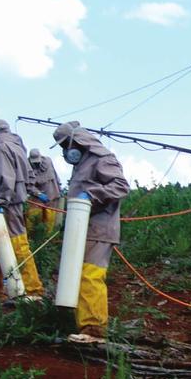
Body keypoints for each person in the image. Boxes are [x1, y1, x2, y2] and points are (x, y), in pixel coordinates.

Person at [52, 121, 129, 343]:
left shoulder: (102, 158)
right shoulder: (83, 163)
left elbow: (121, 186)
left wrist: (91, 195)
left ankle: (94, 331)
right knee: (79, 275)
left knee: (90, 275)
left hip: (99, 229)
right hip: (83, 229)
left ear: (77, 141)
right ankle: (82, 325)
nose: (65, 151)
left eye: (66, 145)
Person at [0, 119, 44, 303]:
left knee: (17, 245)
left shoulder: (1, 147)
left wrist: (0, 202)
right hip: (14, 201)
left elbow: (6, 179)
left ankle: (32, 290)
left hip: (7, 203)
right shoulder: (18, 145)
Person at [25, 148, 62, 234]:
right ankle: (32, 238)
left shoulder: (48, 161)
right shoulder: (26, 167)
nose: (36, 163)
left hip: (51, 196)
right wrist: (38, 194)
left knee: (49, 220)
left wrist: (59, 187)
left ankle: (47, 239)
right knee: (33, 218)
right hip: (37, 199)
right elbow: (28, 185)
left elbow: (55, 176)